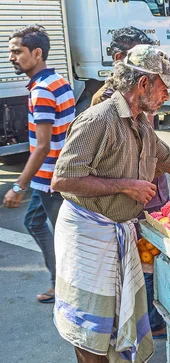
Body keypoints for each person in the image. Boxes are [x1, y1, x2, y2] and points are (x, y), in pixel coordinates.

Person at [51, 44, 170, 362]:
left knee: (115, 325)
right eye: (163, 88)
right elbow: (62, 180)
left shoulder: (143, 128)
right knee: (89, 330)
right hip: (87, 234)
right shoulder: (97, 120)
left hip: (118, 232)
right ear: (143, 84)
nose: (167, 97)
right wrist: (126, 186)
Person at [91, 26, 169, 340]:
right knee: (142, 259)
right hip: (132, 199)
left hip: (152, 190)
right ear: (121, 58)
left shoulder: (142, 94)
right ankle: (149, 320)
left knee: (152, 254)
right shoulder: (105, 102)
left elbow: (151, 141)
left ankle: (152, 315)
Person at [4, 25, 75, 304]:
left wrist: (18, 185)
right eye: (10, 51)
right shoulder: (57, 80)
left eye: (17, 52)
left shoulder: (42, 90)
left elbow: (43, 145)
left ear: (37, 53)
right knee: (34, 222)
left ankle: (67, 288)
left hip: (51, 179)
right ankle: (59, 282)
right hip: (52, 175)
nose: (12, 57)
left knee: (65, 237)